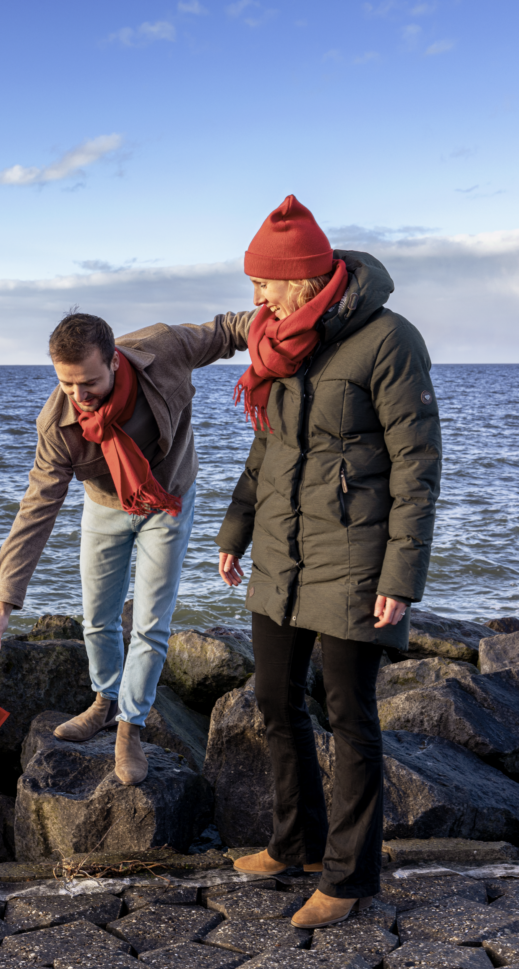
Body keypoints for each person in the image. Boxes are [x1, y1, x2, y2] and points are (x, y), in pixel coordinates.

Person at [216, 195, 442, 928]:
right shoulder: (280, 344)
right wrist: (235, 532)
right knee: (275, 701)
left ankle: (349, 879)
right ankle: (297, 845)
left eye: (267, 283)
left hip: (356, 556)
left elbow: (417, 466)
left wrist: (400, 578)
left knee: (350, 715)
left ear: (307, 280)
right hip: (282, 552)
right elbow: (267, 449)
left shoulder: (389, 340)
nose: (256, 297)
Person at [0, 310, 253, 786]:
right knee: (97, 616)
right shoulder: (58, 427)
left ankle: (130, 726)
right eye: (66, 385)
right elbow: (35, 512)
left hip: (168, 501)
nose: (78, 397)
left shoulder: (165, 349)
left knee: (150, 623)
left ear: (116, 363)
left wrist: (285, 329)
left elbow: (230, 330)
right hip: (105, 506)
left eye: (88, 383)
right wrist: (2, 605)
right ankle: (104, 701)